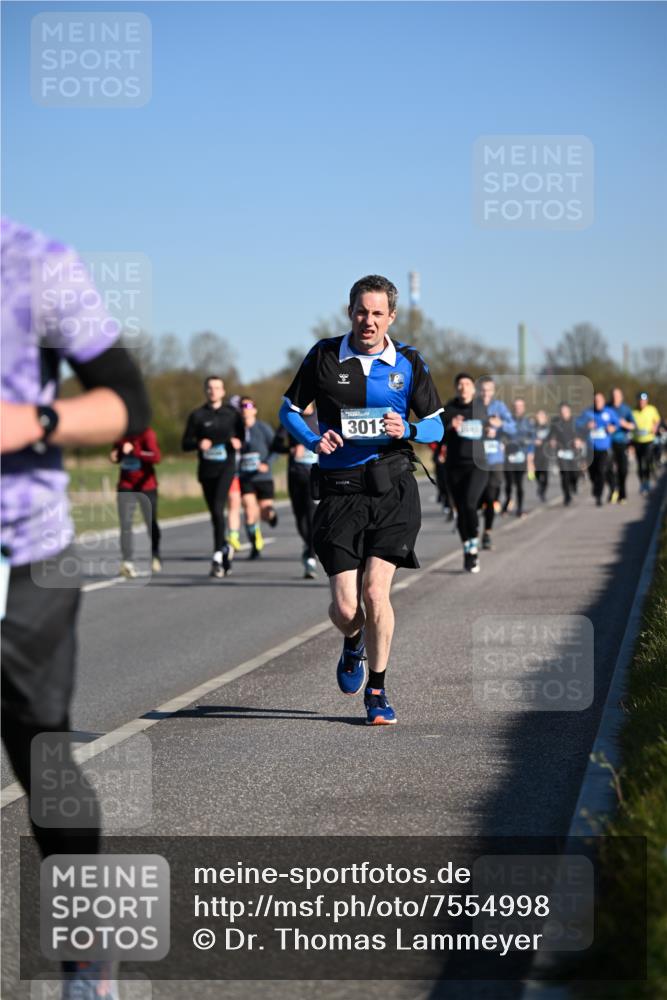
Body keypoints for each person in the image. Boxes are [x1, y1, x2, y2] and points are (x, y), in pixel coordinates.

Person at [1, 217, 150, 998]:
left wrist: (32, 420)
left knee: (42, 755)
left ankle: (88, 950)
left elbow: (128, 401)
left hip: (24, 551)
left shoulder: (34, 263)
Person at [279, 275, 443, 724]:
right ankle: (352, 642)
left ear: (391, 316)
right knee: (348, 608)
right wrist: (313, 441)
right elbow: (288, 411)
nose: (367, 321)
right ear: (349, 311)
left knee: (376, 592)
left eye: (376, 313)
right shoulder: (324, 355)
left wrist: (406, 429)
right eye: (360, 311)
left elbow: (436, 425)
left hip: (392, 488)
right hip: (339, 490)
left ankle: (377, 690)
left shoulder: (408, 361)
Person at [181, 376, 243, 577]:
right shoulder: (197, 415)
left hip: (226, 468)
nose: (213, 391)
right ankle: (224, 550)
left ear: (223, 391)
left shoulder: (232, 414)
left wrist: (237, 442)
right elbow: (185, 443)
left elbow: (242, 438)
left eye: (217, 388)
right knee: (215, 514)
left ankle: (217, 555)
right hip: (207, 470)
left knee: (218, 507)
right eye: (209, 388)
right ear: (205, 391)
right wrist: (198, 444)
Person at [442, 373, 489, 572]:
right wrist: (449, 427)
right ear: (456, 388)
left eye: (467, 383)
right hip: (454, 466)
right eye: (459, 384)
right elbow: (438, 435)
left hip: (478, 465)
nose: (463, 387)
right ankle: (468, 549)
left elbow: (493, 429)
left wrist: (494, 430)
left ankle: (474, 543)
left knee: (470, 504)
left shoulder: (481, 408)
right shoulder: (448, 409)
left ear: (473, 388)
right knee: (461, 510)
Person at [272, 404, 319, 578]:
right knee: (299, 517)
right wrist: (290, 450)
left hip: (315, 474)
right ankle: (309, 546)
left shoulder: (321, 417)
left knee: (311, 513)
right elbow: (275, 444)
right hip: (295, 474)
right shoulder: (291, 417)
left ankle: (310, 557)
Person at [110, 426, 162, 577]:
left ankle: (155, 554)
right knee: (125, 523)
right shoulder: (119, 434)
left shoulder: (147, 434)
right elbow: (116, 455)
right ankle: (127, 562)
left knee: (150, 522)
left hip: (147, 486)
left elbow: (156, 457)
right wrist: (116, 455)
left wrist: (135, 451)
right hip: (126, 485)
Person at [238, 396, 279, 559]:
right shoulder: (237, 430)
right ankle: (255, 546)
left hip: (263, 477)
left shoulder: (263, 428)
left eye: (248, 405)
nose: (245, 408)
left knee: (264, 512)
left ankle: (271, 516)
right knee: (249, 511)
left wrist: (267, 463)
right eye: (242, 406)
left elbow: (275, 449)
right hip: (246, 477)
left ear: (254, 410)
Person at [477, 377, 515, 550]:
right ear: (479, 390)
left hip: (495, 459)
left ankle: (487, 533)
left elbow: (513, 428)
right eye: (483, 390)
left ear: (493, 391)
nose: (486, 393)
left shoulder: (499, 407)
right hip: (476, 459)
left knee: (491, 497)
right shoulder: (474, 406)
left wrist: (500, 424)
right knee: (478, 497)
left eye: (489, 390)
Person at [576, 392, 616, 507]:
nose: (597, 402)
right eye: (595, 400)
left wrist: (612, 427)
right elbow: (577, 424)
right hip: (590, 448)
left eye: (599, 400)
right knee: (592, 473)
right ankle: (595, 487)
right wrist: (587, 426)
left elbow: (616, 424)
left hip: (604, 448)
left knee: (601, 471)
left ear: (603, 401)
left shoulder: (609, 412)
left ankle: (599, 495)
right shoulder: (587, 413)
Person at [549, 402, 586, 505]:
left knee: (574, 473)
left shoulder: (576, 422)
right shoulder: (555, 423)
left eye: (565, 411)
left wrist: (580, 440)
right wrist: (552, 440)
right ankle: (567, 496)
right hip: (561, 452)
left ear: (569, 411)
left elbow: (584, 433)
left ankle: (574, 484)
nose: (564, 413)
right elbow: (550, 434)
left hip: (573, 451)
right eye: (562, 412)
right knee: (564, 474)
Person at [502, 397, 534, 518]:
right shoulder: (507, 421)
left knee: (520, 484)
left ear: (524, 408)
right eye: (516, 406)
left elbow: (531, 439)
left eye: (520, 406)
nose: (518, 408)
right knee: (509, 484)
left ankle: (520, 508)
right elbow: (502, 435)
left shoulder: (528, 423)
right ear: (512, 408)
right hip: (508, 458)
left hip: (521, 457)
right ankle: (507, 503)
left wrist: (530, 454)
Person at [605, 387, 635, 504]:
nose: (615, 398)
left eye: (617, 396)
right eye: (613, 396)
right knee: (606, 468)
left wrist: (624, 424)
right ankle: (613, 488)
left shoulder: (626, 409)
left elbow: (633, 426)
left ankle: (622, 494)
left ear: (621, 397)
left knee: (623, 470)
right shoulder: (606, 408)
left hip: (622, 442)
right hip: (608, 443)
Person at [631, 391, 661, 494]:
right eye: (640, 400)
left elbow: (657, 420)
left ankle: (647, 482)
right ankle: (642, 483)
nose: (642, 402)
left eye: (644, 401)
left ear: (647, 401)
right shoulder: (633, 411)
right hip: (637, 440)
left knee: (647, 461)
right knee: (639, 463)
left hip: (649, 440)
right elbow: (630, 423)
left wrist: (655, 427)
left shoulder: (652, 409)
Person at [532, 409, 551, 502]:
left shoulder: (549, 427)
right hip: (536, 453)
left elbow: (552, 438)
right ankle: (539, 487)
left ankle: (542, 491)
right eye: (538, 415)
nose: (540, 417)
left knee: (546, 475)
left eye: (542, 415)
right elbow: (529, 437)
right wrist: (534, 441)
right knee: (537, 473)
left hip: (546, 454)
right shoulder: (533, 427)